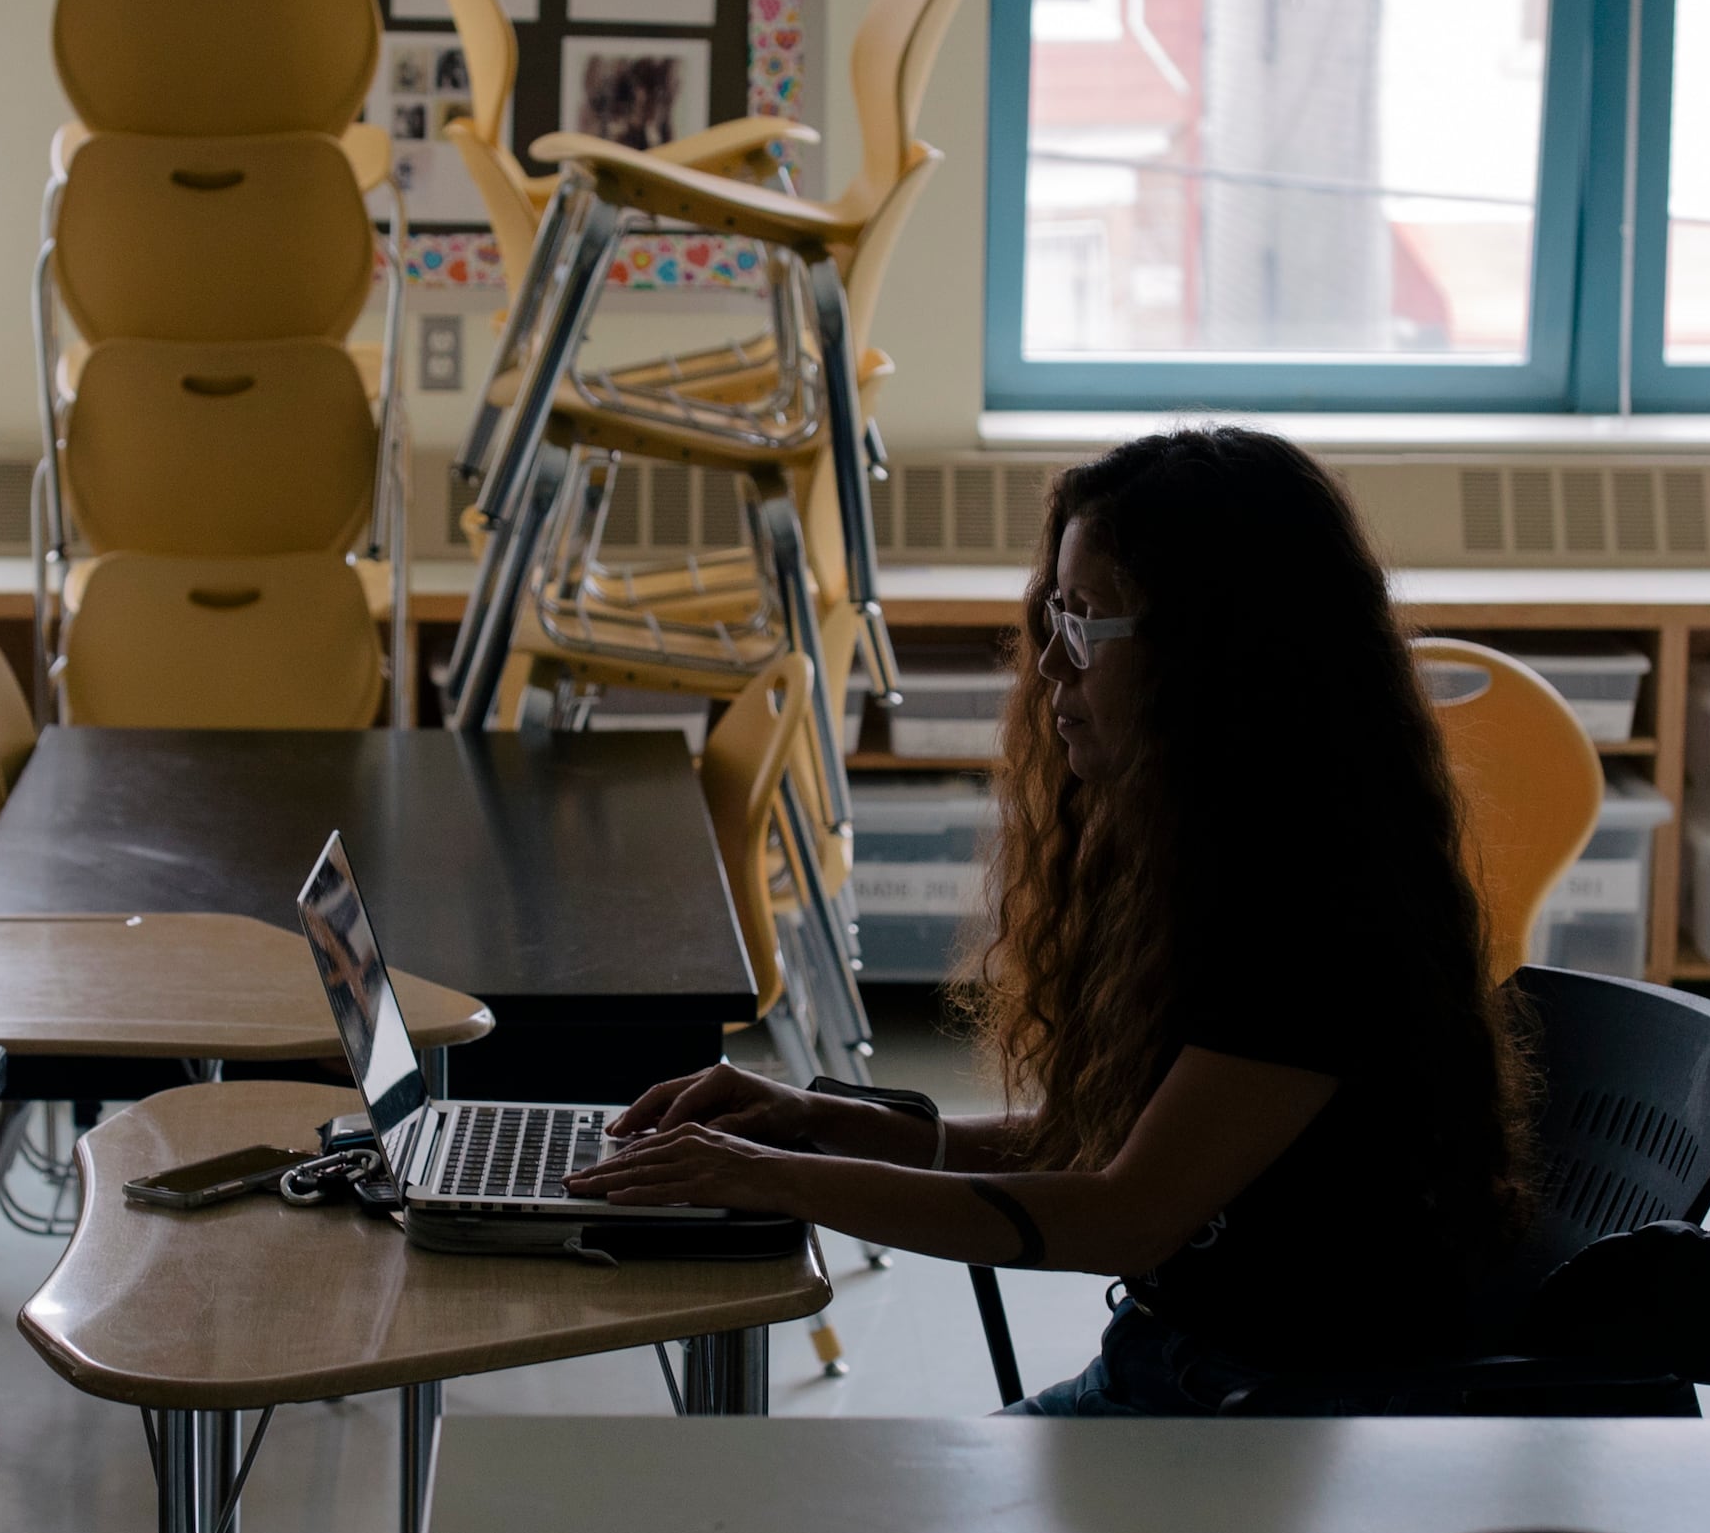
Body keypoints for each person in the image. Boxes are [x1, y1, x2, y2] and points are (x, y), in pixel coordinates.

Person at [565, 425, 1530, 1412]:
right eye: (1051, 617)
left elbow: (1121, 1217)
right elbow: (1102, 1146)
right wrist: (818, 1125)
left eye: (1086, 625)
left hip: (1275, 1411)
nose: (1050, 670)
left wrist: (775, 1179)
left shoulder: (1309, 904)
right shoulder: (1202, 854)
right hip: (1186, 1363)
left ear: (1218, 657)